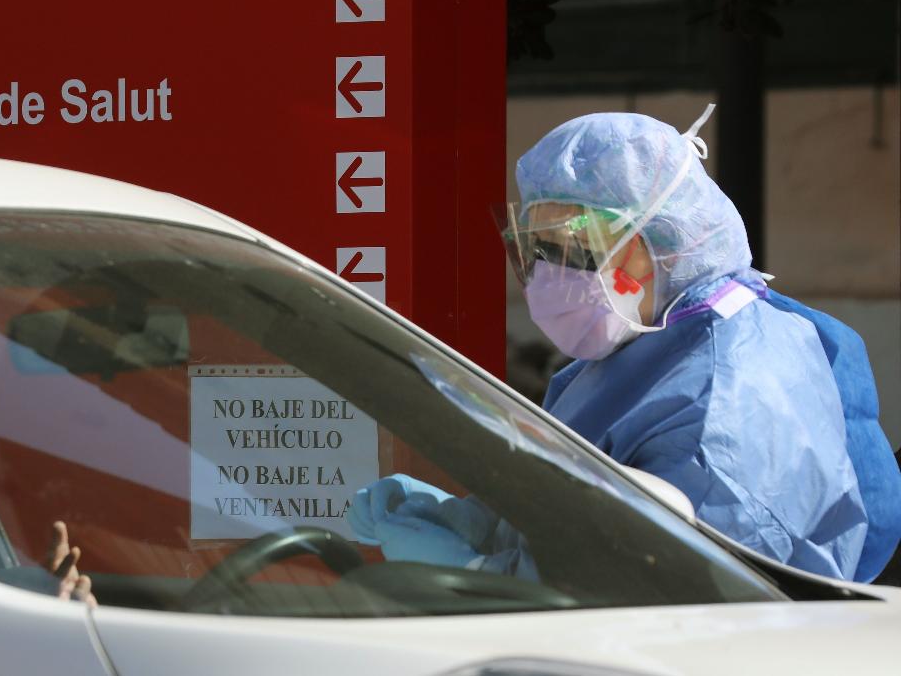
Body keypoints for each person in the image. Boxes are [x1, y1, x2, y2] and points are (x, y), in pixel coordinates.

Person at [350, 106, 901, 583]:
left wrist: (481, 575)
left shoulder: (725, 407)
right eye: (535, 250)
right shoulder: (655, 340)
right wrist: (482, 523)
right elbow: (586, 505)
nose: (547, 276)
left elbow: (679, 594)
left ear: (657, 244)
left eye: (570, 249)